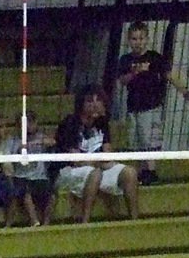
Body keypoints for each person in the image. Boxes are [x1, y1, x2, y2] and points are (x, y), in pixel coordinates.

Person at [116, 20, 189, 185]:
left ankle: (151, 171)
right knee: (136, 140)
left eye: (140, 39)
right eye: (134, 39)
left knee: (149, 139)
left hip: (151, 105)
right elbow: (122, 80)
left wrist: (185, 92)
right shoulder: (125, 60)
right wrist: (135, 72)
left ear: (147, 39)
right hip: (134, 106)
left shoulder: (155, 58)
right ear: (129, 40)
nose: (138, 43)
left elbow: (170, 75)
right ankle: (141, 171)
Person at [54, 84, 139, 224]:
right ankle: (85, 221)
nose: (95, 105)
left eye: (98, 100)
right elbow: (76, 160)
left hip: (97, 167)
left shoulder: (102, 123)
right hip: (70, 171)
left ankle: (134, 221)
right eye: (89, 101)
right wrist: (100, 162)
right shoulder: (70, 123)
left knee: (129, 172)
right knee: (96, 174)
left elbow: (108, 153)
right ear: (81, 104)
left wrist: (103, 161)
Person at [3, 110, 54, 227]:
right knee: (25, 192)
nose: (28, 127)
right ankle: (34, 220)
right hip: (21, 176)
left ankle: (46, 223)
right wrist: (19, 149)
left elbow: (51, 142)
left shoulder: (41, 137)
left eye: (31, 123)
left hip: (39, 177)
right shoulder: (13, 140)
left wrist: (35, 143)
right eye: (25, 124)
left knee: (53, 193)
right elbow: (7, 158)